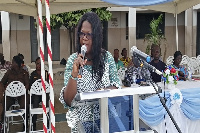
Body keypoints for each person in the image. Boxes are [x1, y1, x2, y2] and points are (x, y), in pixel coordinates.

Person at [59, 12, 121, 133]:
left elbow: (116, 85)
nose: (84, 37)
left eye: (89, 34)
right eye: (82, 33)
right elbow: (68, 100)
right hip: (81, 127)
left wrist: (102, 91)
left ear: (97, 36)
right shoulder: (73, 60)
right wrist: (74, 74)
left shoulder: (107, 58)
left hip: (105, 123)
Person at [0, 55, 29, 131]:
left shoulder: (24, 73)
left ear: (17, 64)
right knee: (3, 104)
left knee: (25, 104)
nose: (12, 64)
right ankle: (2, 124)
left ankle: (25, 124)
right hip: (10, 96)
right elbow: (2, 82)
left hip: (21, 95)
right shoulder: (8, 73)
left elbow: (27, 84)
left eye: (13, 62)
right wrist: (4, 90)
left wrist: (22, 90)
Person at [29, 57, 49, 131]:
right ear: (35, 64)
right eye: (37, 63)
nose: (39, 65)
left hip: (45, 95)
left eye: (41, 64)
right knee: (36, 100)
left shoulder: (46, 73)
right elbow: (30, 87)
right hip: (36, 96)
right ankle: (34, 123)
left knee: (46, 100)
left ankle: (47, 123)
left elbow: (49, 85)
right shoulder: (32, 74)